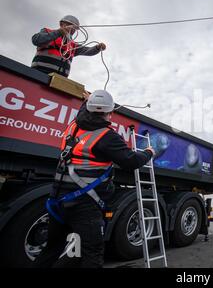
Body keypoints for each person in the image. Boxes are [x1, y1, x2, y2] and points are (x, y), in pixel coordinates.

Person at [35, 90, 155, 268]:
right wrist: (148, 153)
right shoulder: (107, 137)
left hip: (57, 202)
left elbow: (82, 114)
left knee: (51, 249)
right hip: (84, 207)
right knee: (92, 254)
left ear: (88, 108)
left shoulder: (73, 126)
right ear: (110, 113)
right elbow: (131, 161)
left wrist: (86, 101)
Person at [31, 15, 106, 77]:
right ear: (61, 24)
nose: (72, 29)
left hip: (59, 80)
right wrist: (59, 32)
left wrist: (98, 47)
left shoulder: (72, 45)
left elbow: (87, 51)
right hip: (39, 73)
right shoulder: (47, 32)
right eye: (70, 25)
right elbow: (36, 40)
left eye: (75, 28)